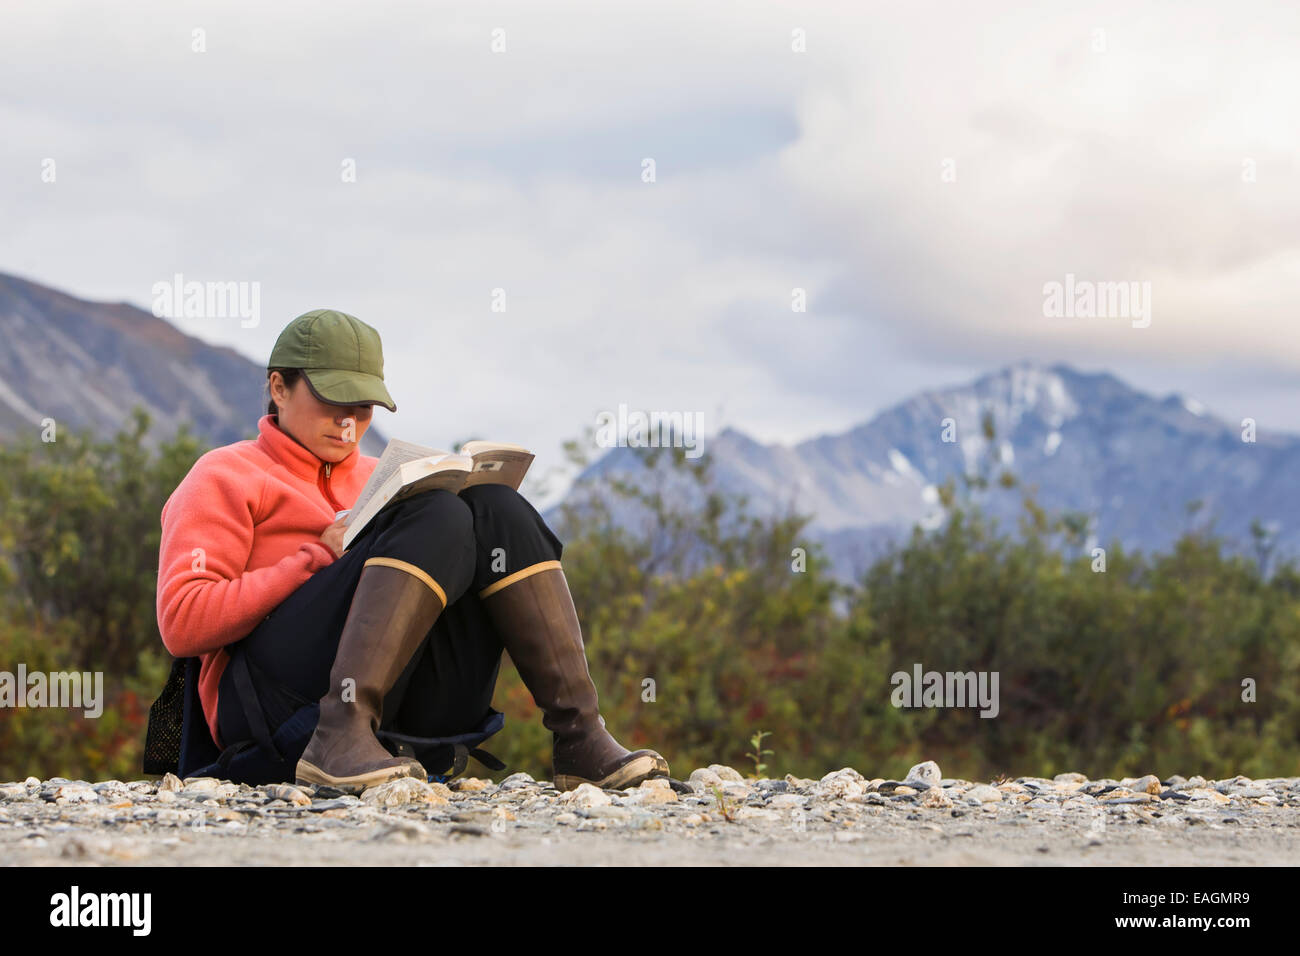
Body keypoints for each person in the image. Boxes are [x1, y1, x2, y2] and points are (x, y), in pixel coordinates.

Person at [155, 308, 669, 792]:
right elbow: (182, 622)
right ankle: (339, 735)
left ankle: (579, 735)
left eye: (361, 407)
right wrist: (313, 558)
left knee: (495, 507)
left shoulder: (379, 476)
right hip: (275, 712)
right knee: (436, 515)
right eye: (332, 402)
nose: (348, 423)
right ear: (278, 388)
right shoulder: (225, 475)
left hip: (407, 712)